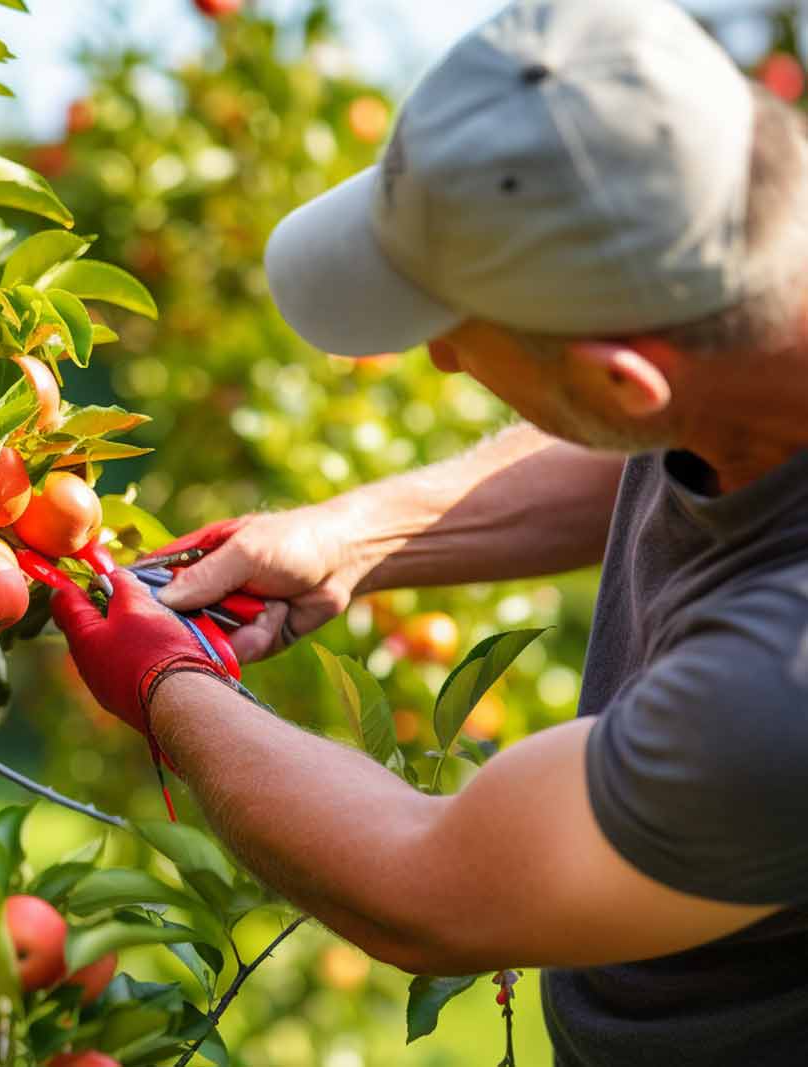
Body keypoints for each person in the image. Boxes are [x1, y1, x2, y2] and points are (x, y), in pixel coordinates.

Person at [50, 1, 808, 1064]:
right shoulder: (761, 307)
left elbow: (429, 883)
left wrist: (167, 680)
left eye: (450, 336)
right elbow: (660, 435)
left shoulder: (779, 691)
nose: (439, 365)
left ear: (620, 379)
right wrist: (357, 535)